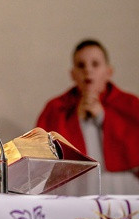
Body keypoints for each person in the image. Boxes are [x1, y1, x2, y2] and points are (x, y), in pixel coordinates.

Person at [36, 39, 139, 194]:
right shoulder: (56, 108)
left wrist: (103, 118)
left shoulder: (130, 104)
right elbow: (43, 160)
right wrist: (76, 120)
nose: (88, 70)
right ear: (72, 74)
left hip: (121, 187)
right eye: (81, 65)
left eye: (95, 64)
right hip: (75, 191)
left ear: (109, 71)